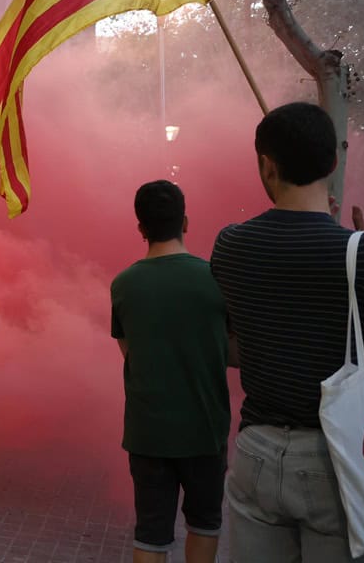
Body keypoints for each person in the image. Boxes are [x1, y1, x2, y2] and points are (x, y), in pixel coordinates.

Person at [211, 101, 364, 562]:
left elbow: (234, 348)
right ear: (332, 162)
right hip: (341, 457)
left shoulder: (229, 245)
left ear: (266, 166)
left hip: (256, 452)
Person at [110, 180, 231, 563]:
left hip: (148, 434)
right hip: (205, 431)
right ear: (186, 222)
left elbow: (129, 352)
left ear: (140, 228)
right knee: (205, 523)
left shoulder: (123, 285)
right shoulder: (216, 278)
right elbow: (232, 353)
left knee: (151, 534)